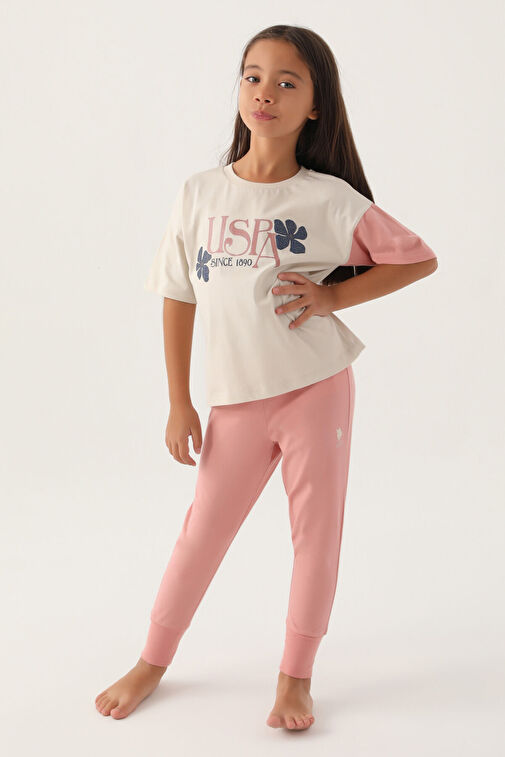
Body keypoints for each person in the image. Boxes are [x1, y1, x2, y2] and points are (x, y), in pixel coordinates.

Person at [95, 24, 438, 730]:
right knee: (200, 535)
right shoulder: (199, 193)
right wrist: (179, 402)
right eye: (253, 76)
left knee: (315, 536)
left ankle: (295, 678)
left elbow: (415, 257)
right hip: (235, 400)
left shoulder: (328, 197)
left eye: (287, 82)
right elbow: (178, 296)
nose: (265, 93)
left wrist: (332, 297)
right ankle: (152, 661)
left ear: (315, 105)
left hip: (316, 387)